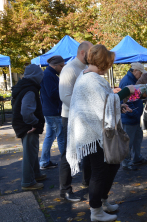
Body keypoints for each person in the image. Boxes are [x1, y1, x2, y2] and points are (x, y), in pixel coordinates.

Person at [66, 44, 135, 222]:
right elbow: (104, 104)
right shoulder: (91, 80)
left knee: (112, 165)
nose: (110, 66)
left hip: (94, 131)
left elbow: (102, 102)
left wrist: (118, 105)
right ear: (103, 62)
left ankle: (102, 201)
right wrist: (128, 91)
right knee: (100, 172)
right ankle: (95, 211)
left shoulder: (89, 76)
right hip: (92, 134)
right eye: (109, 63)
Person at [59, 41, 93, 202]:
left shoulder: (85, 68)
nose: (92, 56)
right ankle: (65, 189)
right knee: (68, 153)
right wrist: (85, 107)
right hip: (70, 118)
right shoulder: (69, 69)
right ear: (82, 53)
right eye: (90, 53)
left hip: (84, 116)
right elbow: (65, 96)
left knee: (87, 149)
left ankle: (88, 181)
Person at [11, 64, 46, 191]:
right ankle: (28, 182)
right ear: (36, 76)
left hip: (23, 124)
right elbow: (26, 111)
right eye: (40, 75)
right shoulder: (30, 89)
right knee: (29, 153)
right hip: (28, 126)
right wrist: (35, 123)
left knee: (31, 151)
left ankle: (35, 174)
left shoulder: (22, 86)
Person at [120, 62, 147, 171]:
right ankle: (126, 163)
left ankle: (137, 158)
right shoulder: (127, 81)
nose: (141, 75)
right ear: (135, 71)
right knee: (128, 142)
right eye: (141, 73)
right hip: (129, 118)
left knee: (137, 139)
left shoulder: (132, 80)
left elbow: (135, 97)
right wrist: (135, 114)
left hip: (134, 117)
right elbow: (125, 101)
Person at [39, 56, 65, 170]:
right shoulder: (49, 75)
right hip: (53, 111)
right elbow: (52, 93)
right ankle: (66, 161)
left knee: (50, 137)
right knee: (61, 137)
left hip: (50, 110)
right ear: (55, 65)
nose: (62, 68)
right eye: (61, 66)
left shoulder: (49, 74)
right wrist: (64, 92)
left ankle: (44, 161)